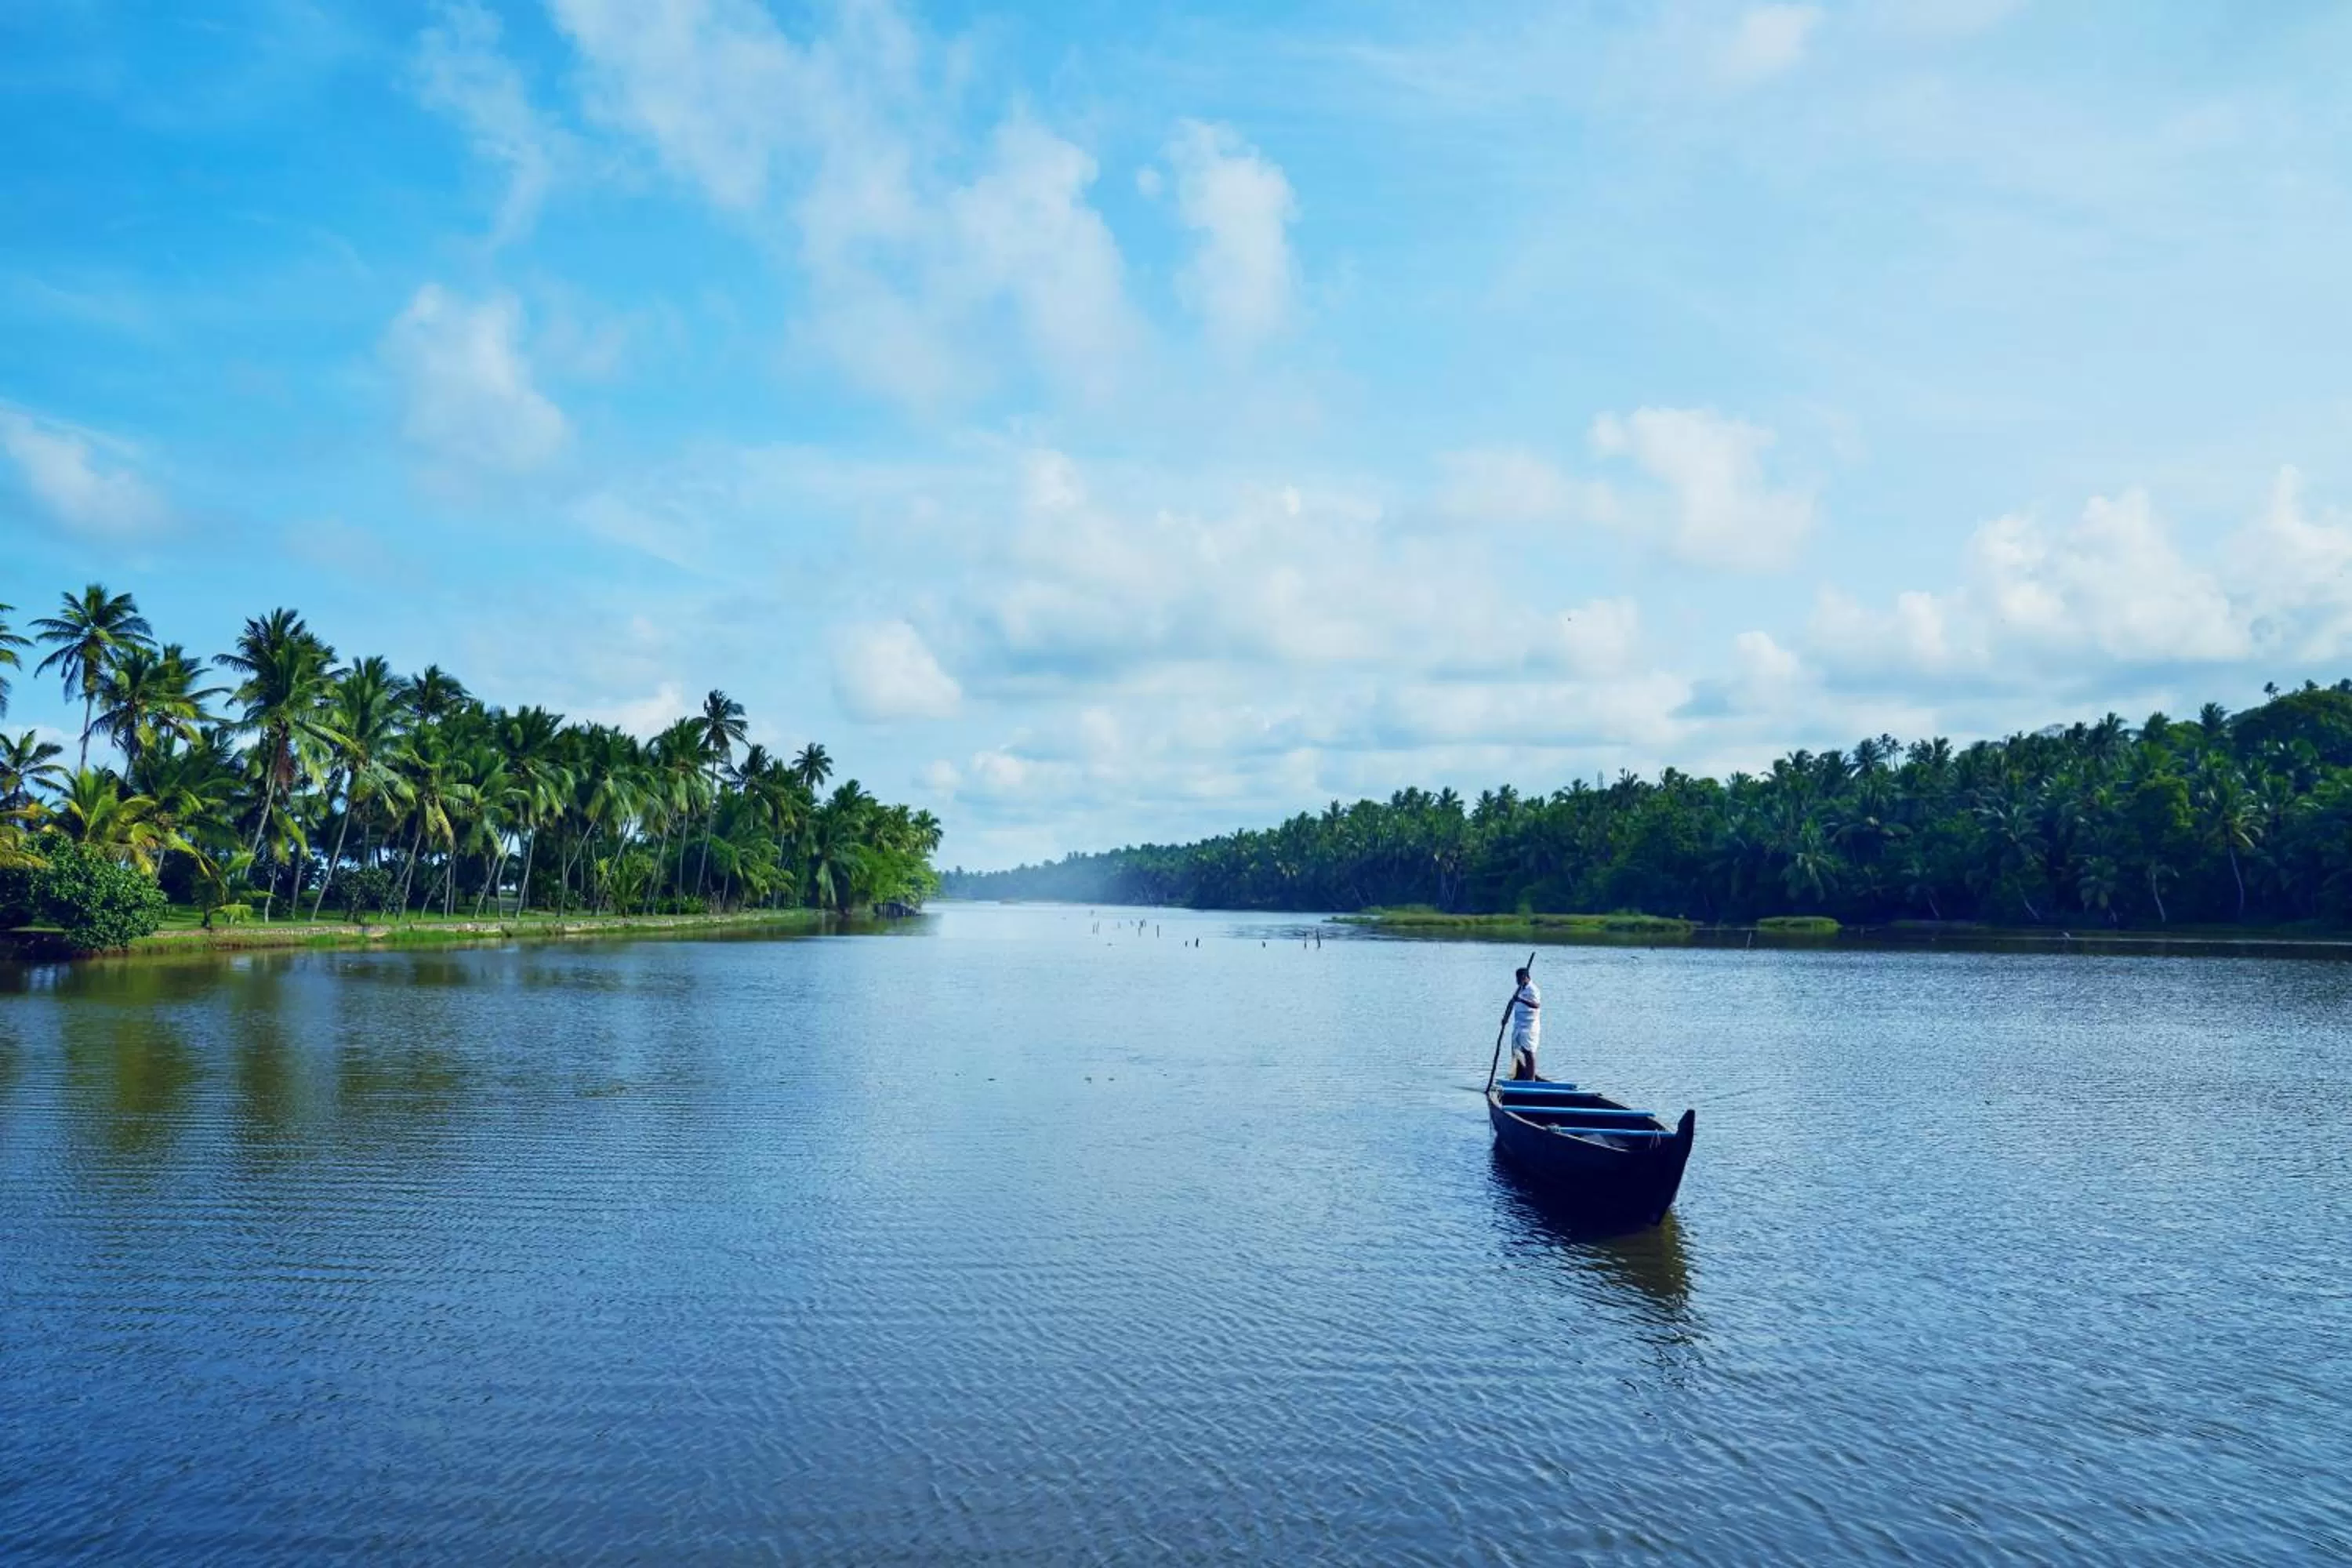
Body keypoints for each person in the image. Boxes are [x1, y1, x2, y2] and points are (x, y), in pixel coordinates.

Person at [1499, 966, 1541, 1080]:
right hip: (1519, 1023)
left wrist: (1521, 1000)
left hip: (1530, 1025)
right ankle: (1524, 1074)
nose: (1517, 981)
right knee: (1518, 1049)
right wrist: (1505, 1018)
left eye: (1519, 979)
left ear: (1526, 977)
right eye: (1516, 979)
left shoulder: (1533, 989)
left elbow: (1536, 1005)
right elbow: (1511, 1002)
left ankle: (1531, 1078)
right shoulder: (1520, 989)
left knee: (1529, 1051)